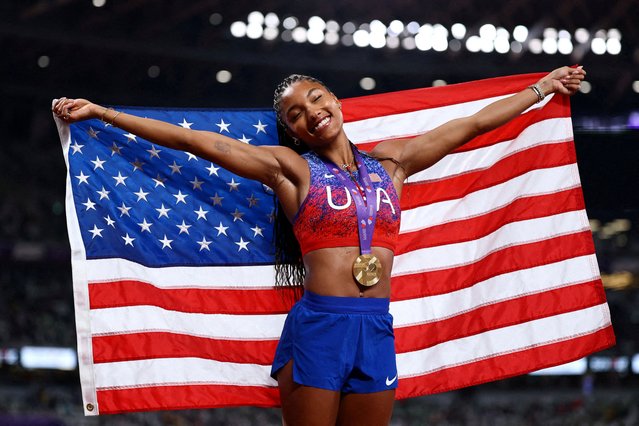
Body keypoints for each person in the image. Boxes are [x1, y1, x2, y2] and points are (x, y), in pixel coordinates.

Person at [53, 65, 585, 425]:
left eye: (315, 97)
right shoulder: (291, 171)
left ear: (334, 100)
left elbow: (470, 124)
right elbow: (198, 142)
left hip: (376, 328)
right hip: (320, 328)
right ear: (294, 132)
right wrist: (103, 114)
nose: (310, 111)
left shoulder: (393, 162)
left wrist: (543, 88)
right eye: (295, 114)